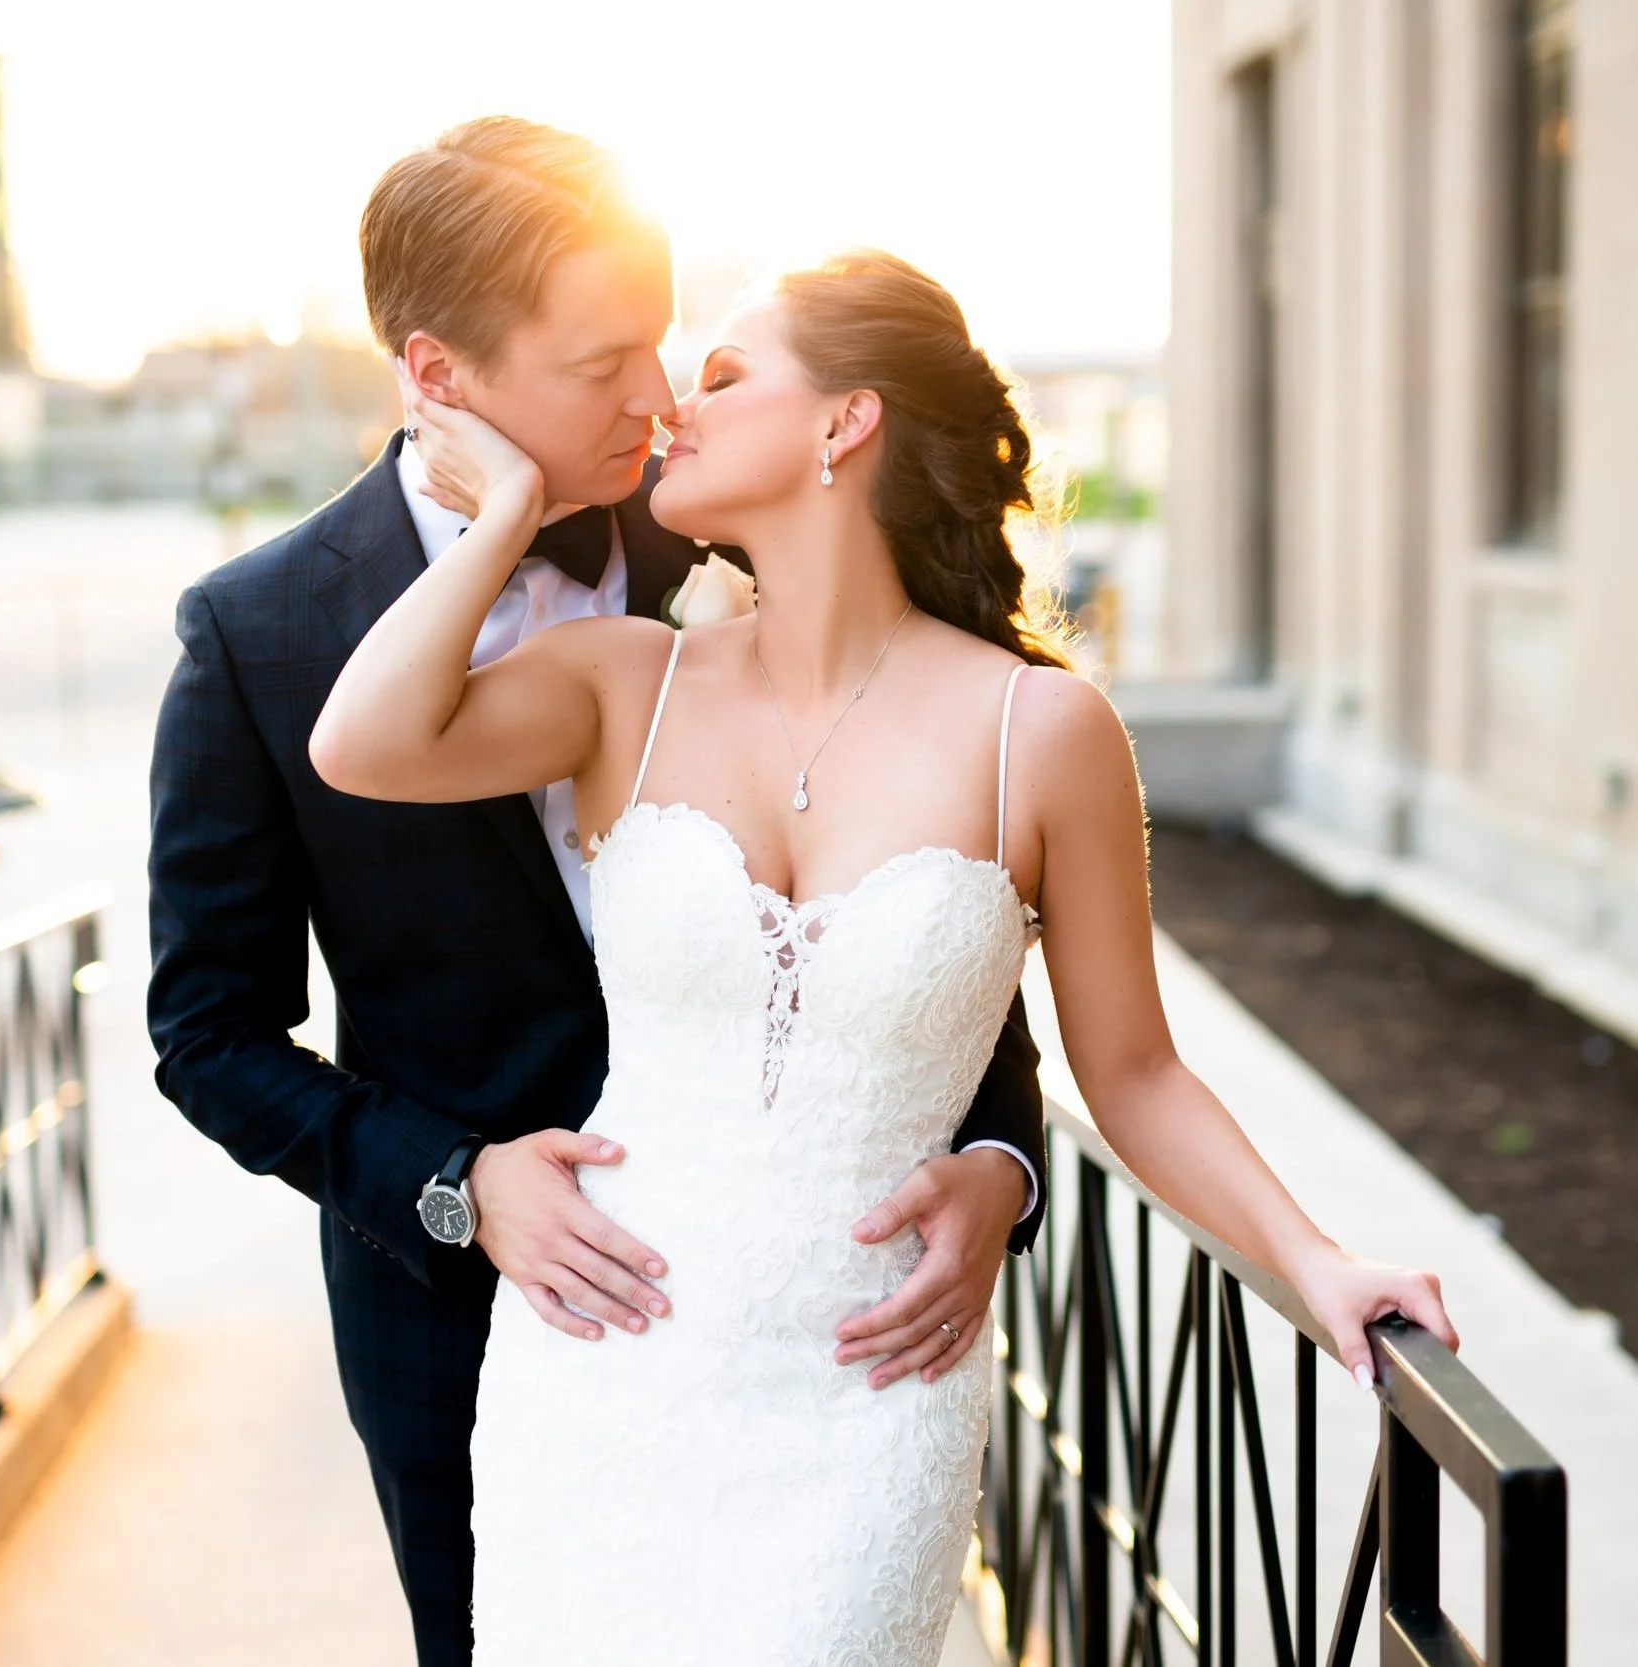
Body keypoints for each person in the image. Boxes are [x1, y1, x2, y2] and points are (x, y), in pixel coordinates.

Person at [309, 245, 1460, 1665]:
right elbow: (358, 744)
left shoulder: (1038, 733)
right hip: (602, 1379)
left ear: (843, 424)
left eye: (724, 377)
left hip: (865, 1402)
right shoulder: (623, 681)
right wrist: (506, 515)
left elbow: (1136, 1070)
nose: (673, 404)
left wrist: (1317, 1260)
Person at [147, 120, 1047, 1667]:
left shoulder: (733, 522)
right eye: (600, 361)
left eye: (662, 339)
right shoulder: (258, 633)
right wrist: (458, 1181)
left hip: (816, 1326)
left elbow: (921, 895)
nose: (655, 394)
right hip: (461, 1311)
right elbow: (206, 1029)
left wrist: (999, 1159)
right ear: (439, 374)